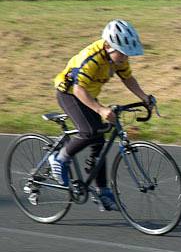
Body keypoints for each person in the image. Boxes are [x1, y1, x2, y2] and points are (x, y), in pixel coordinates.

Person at [50, 19, 152, 211]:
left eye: (126, 55)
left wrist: (144, 97)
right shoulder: (92, 58)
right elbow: (79, 90)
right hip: (70, 93)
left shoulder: (118, 57)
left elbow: (128, 78)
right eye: (121, 54)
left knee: (99, 141)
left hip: (88, 95)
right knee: (90, 132)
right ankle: (60, 158)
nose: (124, 58)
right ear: (107, 46)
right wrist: (100, 109)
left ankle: (102, 191)